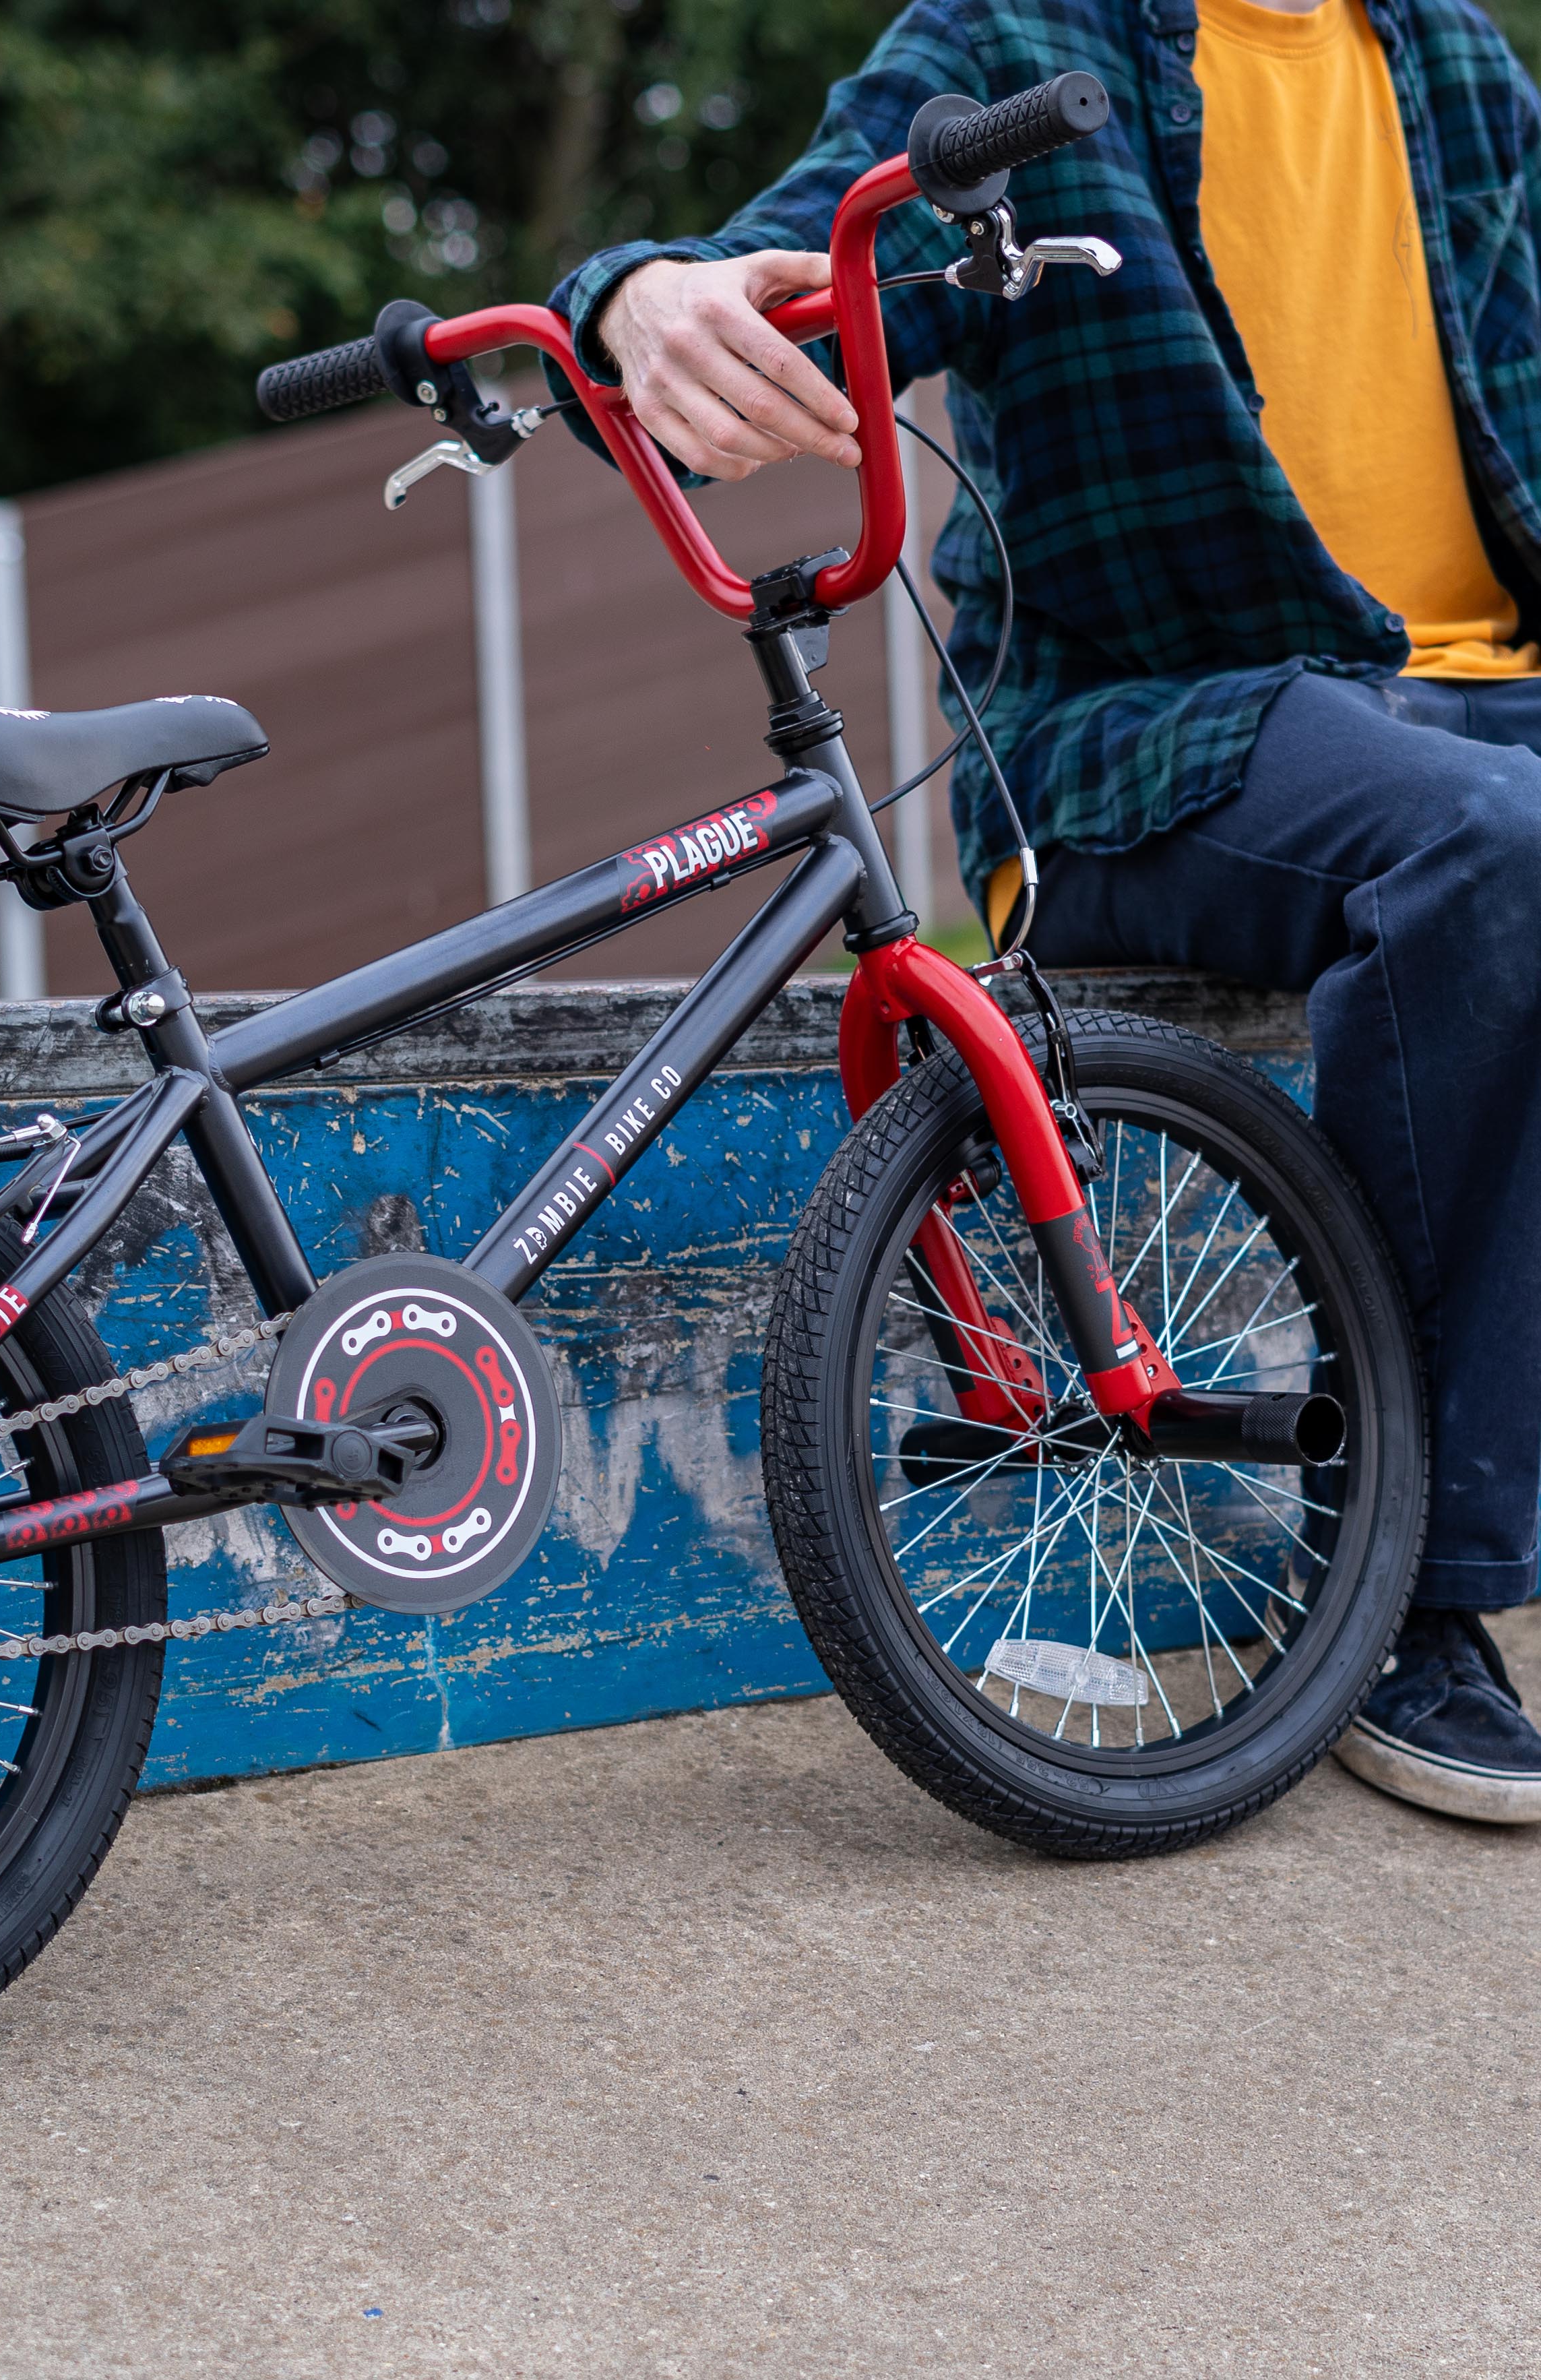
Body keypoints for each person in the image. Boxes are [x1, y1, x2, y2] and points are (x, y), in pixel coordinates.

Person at [552, 0, 1541, 1821]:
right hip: (1158, 729)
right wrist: (629, 300)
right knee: (1491, 846)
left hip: (1491, 713)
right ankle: (1414, 1592)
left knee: (1500, 812)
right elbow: (778, 268)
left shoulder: (1462, 71)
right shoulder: (1022, 38)